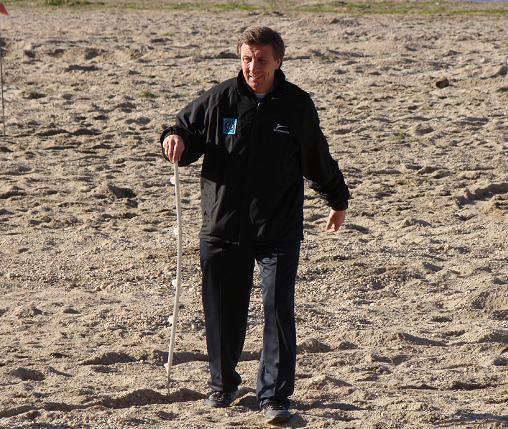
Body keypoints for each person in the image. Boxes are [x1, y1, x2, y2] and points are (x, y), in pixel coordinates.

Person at [160, 26, 350, 424]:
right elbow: (185, 130)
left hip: (277, 228)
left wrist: (338, 200)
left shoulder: (296, 105)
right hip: (222, 226)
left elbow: (317, 158)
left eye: (261, 59)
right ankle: (223, 385)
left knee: (277, 306)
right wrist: (174, 139)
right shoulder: (220, 98)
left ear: (278, 61)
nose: (252, 67)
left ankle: (274, 396)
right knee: (222, 311)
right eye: (246, 59)